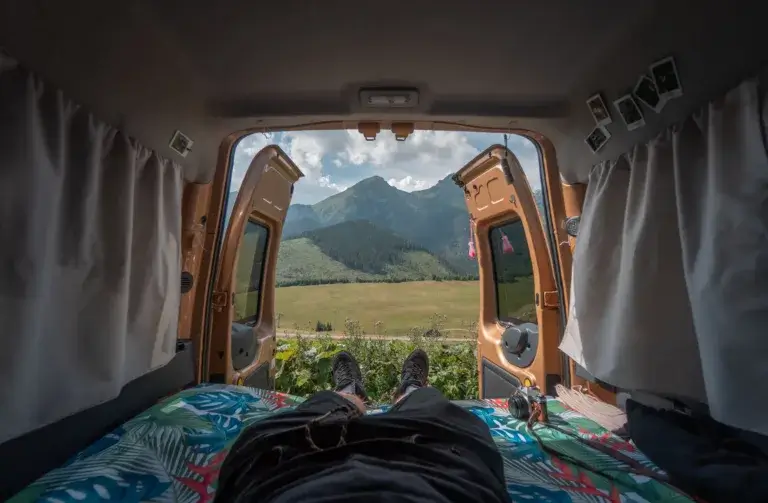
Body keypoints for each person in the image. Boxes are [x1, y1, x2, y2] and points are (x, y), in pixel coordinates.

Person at [214, 349, 511, 502]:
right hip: (445, 477)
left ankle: (350, 392)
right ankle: (409, 390)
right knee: (434, 408)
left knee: (317, 410)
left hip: (286, 474)